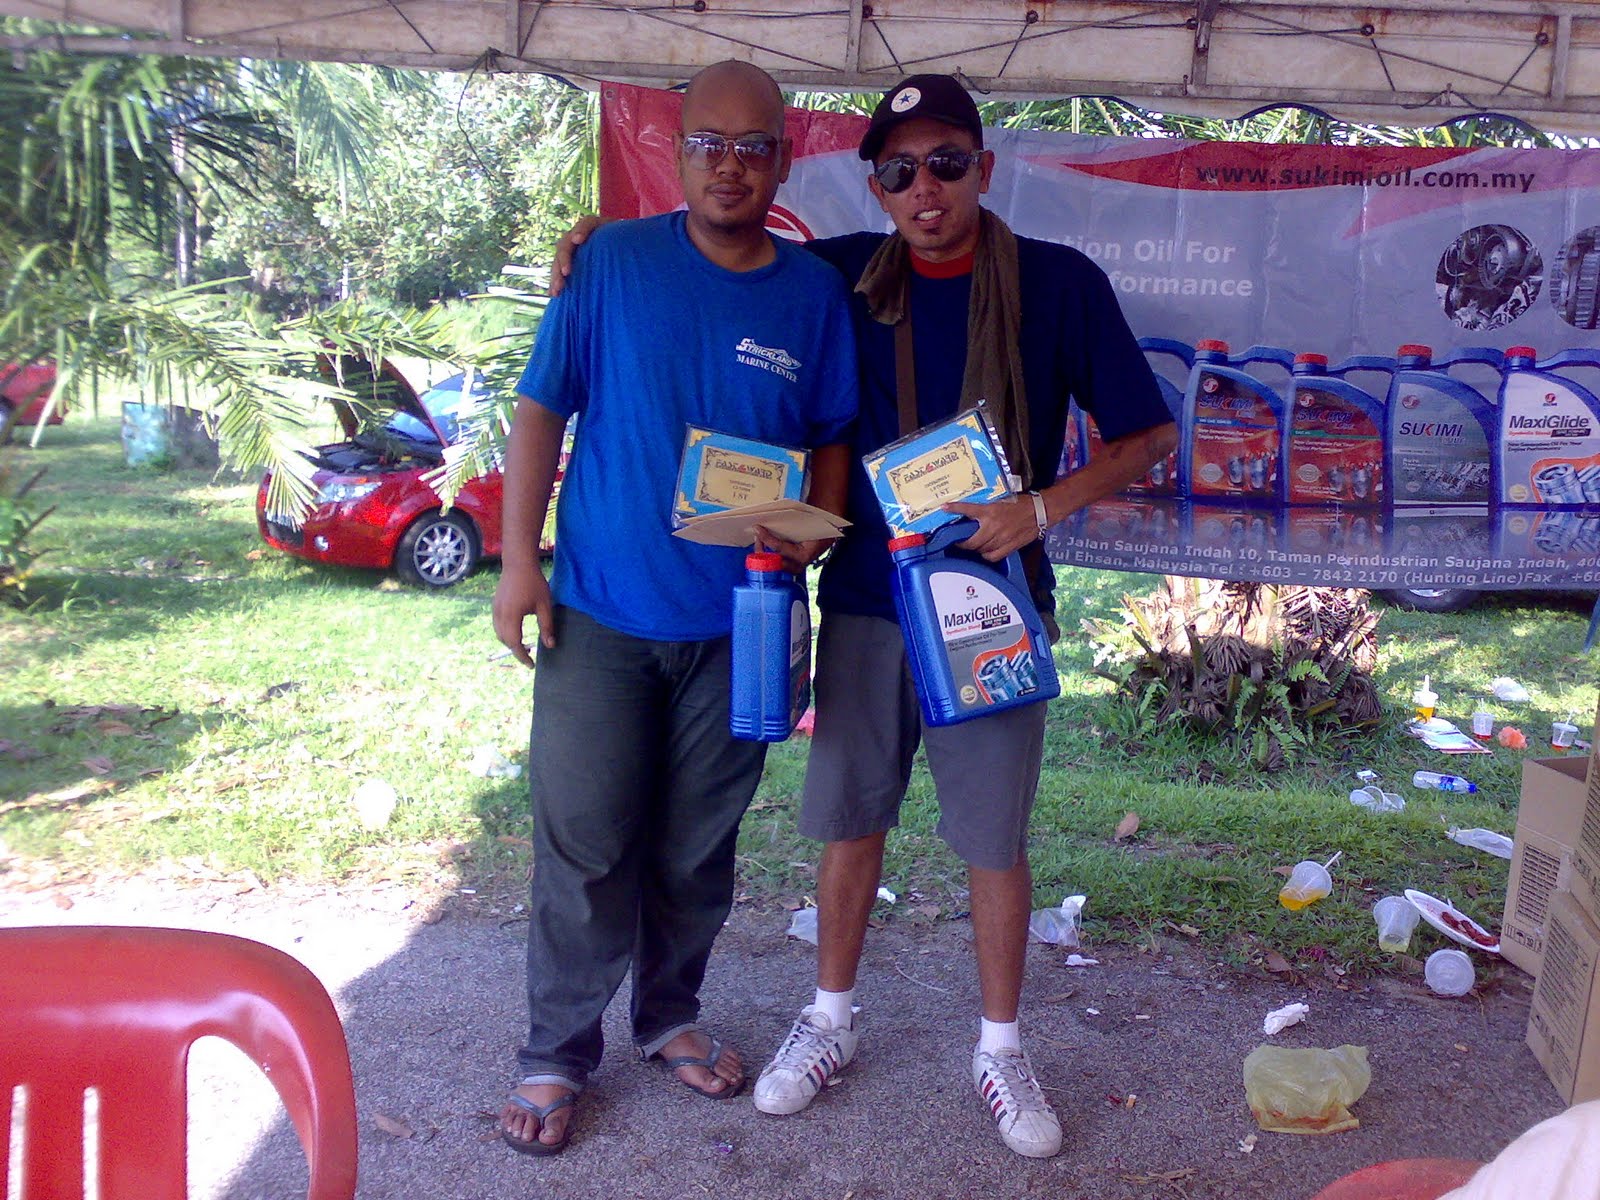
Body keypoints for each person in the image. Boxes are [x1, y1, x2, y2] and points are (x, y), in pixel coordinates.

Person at [551, 72, 1177, 1159]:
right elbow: (725, 250)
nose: (924, 189)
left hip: (987, 602)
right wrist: (605, 237)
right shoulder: (841, 274)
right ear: (875, 187)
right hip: (864, 602)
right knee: (849, 821)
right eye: (898, 171)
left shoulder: (1057, 284)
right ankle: (829, 1018)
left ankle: (999, 1047)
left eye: (946, 164)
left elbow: (1146, 436)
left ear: (984, 168)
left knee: (992, 836)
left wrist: (1039, 509)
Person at [492, 59, 858, 1157]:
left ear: (782, 160)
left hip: (743, 621)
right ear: (677, 150)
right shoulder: (610, 262)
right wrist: (516, 564)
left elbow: (831, 438)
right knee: (585, 839)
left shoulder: (813, 294)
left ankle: (667, 1016)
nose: (728, 166)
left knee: (698, 844)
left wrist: (809, 536)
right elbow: (540, 408)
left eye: (752, 147)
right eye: (708, 144)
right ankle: (557, 1050)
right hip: (600, 612)